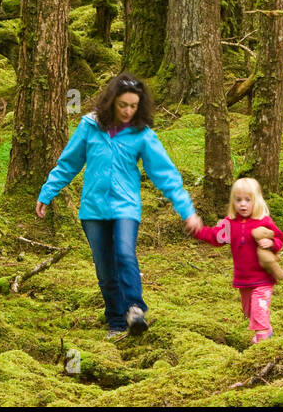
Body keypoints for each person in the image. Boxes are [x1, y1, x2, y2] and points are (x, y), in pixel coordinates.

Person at [36, 74, 203, 337]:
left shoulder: (142, 135)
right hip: (93, 210)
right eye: (123, 104)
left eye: (133, 106)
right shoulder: (89, 126)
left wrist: (187, 211)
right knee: (105, 269)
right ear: (112, 101)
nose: (127, 111)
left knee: (125, 254)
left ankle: (135, 308)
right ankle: (115, 320)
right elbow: (69, 163)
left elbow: (165, 174)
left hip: (126, 207)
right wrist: (48, 191)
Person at [192, 177, 283, 343]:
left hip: (263, 278)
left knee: (259, 309)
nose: (243, 204)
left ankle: (263, 340)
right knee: (250, 310)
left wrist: (271, 243)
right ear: (233, 202)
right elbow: (215, 237)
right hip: (243, 279)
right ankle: (267, 330)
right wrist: (197, 229)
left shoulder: (263, 221)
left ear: (256, 201)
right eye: (238, 200)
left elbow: (279, 238)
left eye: (247, 200)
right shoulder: (230, 224)